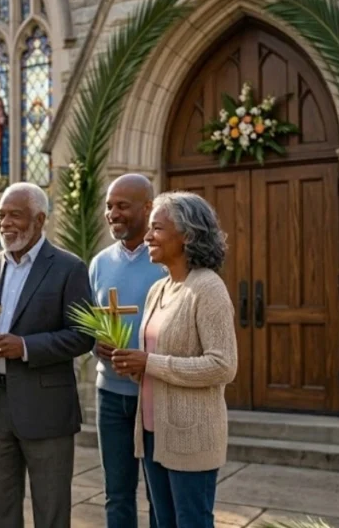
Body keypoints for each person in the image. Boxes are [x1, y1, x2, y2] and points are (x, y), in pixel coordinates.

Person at [0, 182, 94, 528]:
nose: (5, 223)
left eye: (15, 216)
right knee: (1, 511)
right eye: (0, 215)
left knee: (51, 512)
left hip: (46, 409)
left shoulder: (69, 268)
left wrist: (24, 347)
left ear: (39, 220)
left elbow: (83, 336)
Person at [111, 191, 237, 528]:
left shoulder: (208, 288)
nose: (148, 237)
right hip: (153, 432)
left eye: (157, 228)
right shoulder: (158, 290)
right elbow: (155, 361)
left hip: (191, 436)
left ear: (187, 236)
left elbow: (223, 365)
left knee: (191, 522)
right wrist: (133, 367)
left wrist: (149, 363)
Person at [89, 175, 165, 528]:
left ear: (148, 207)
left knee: (159, 494)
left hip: (155, 394)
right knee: (117, 493)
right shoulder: (99, 263)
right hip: (110, 395)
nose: (113, 213)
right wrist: (95, 344)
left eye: (122, 206)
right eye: (109, 206)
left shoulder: (166, 261)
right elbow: (89, 323)